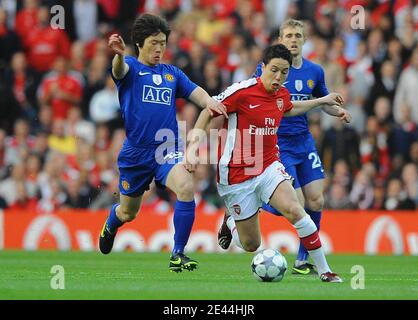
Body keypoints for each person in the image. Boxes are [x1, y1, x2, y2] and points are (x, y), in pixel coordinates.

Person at [186, 44, 344, 282]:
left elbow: (288, 108)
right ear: (262, 68)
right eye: (274, 70)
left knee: (295, 209)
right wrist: (192, 148)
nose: (279, 77)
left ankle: (325, 271)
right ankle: (230, 222)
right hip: (236, 174)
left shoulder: (282, 94)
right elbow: (209, 111)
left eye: (284, 72)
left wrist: (321, 101)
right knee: (251, 244)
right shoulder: (242, 91)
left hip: (269, 165)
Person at [219, 19, 352, 276]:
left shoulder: (314, 71)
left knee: (316, 199)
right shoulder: (267, 70)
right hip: (278, 143)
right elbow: (250, 100)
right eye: (289, 35)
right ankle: (250, 204)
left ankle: (306, 262)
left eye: (298, 36)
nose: (293, 39)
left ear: (304, 40)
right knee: (294, 204)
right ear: (281, 39)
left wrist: (336, 110)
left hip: (304, 140)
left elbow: (319, 102)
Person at [99, 13, 227, 272]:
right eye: (154, 43)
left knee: (185, 186)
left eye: (163, 43)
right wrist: (119, 54)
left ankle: (178, 254)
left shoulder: (172, 74)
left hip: (166, 148)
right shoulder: (131, 68)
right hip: (136, 153)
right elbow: (118, 69)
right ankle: (112, 222)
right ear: (139, 43)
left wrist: (211, 102)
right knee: (128, 213)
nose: (159, 48)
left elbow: (195, 91)